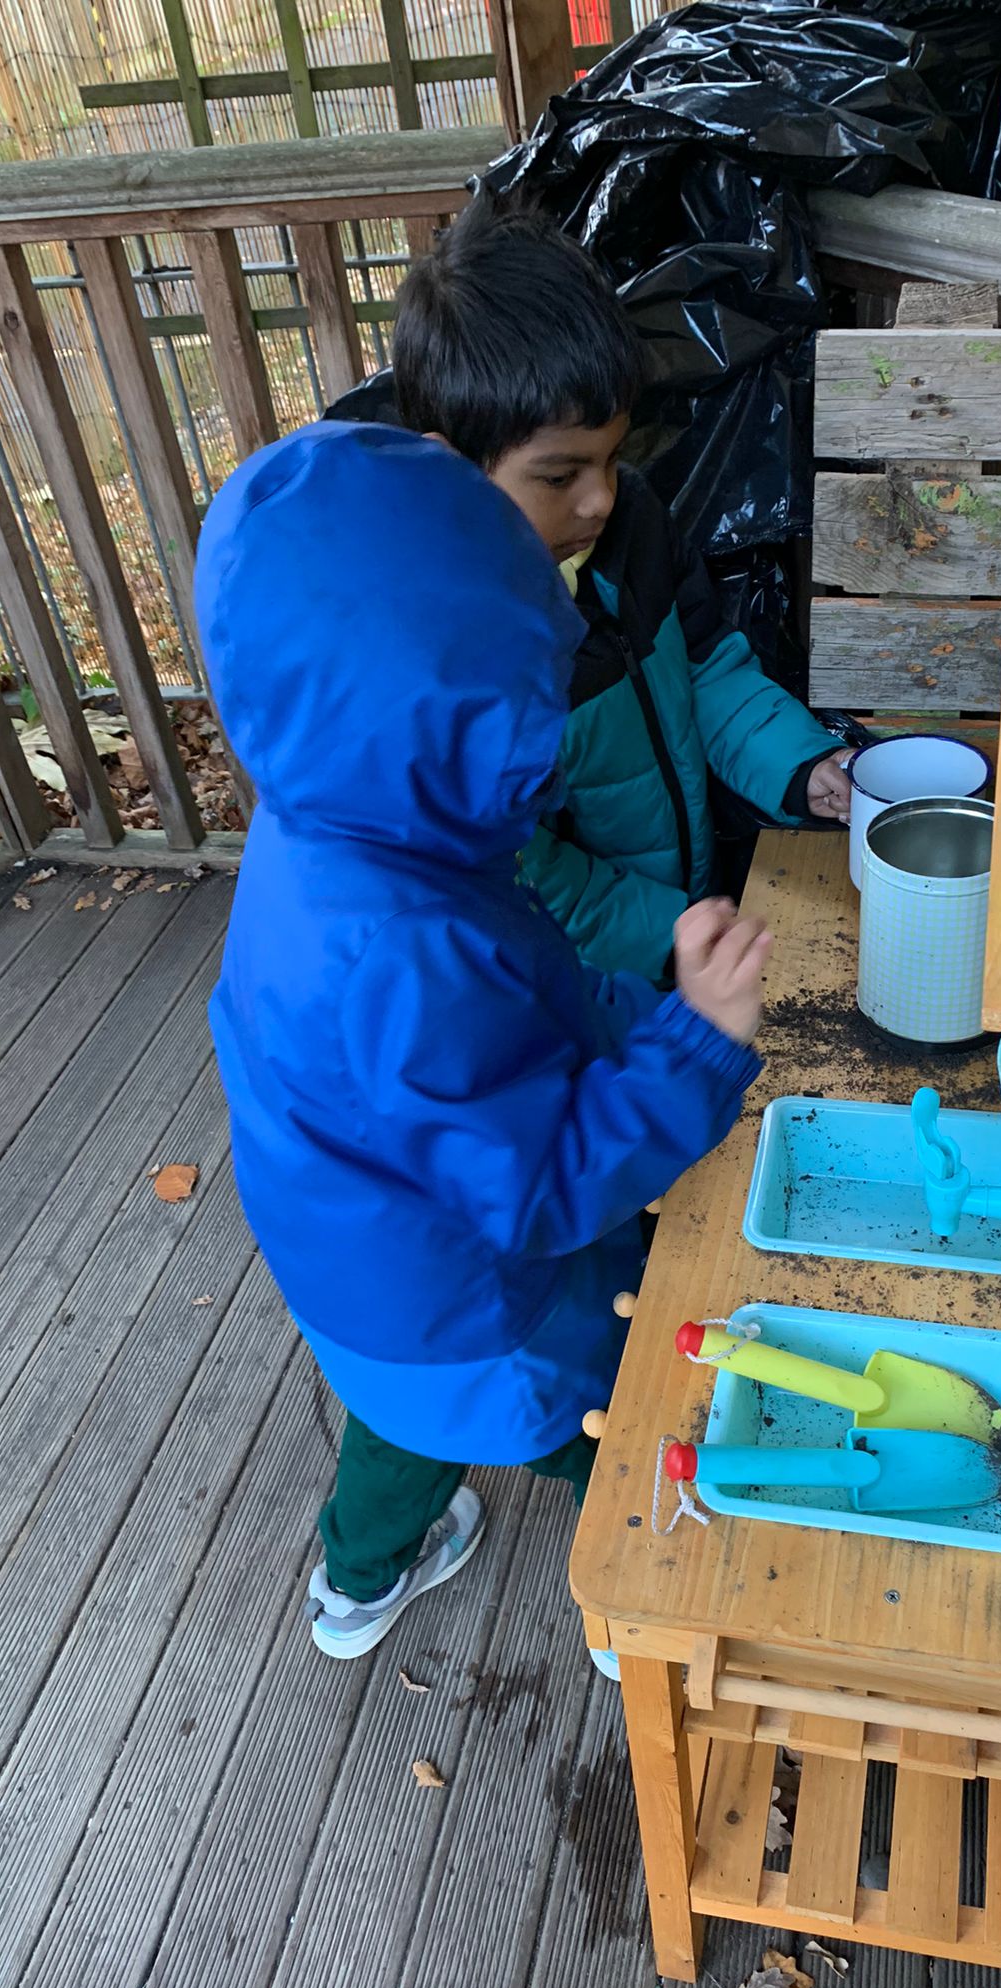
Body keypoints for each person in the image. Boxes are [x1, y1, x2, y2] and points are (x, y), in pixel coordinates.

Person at [196, 419, 770, 1661]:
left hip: (350, 1252)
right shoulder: (402, 950)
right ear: (428, 725)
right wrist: (701, 1050)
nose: (537, 742)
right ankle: (632, 1597)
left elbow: (533, 1006)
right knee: (593, 1403)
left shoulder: (339, 825)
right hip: (466, 1285)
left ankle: (356, 1582)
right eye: (503, 712)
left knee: (395, 1410)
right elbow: (544, 1187)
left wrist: (650, 1014)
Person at [326, 192, 854, 982]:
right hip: (580, 984)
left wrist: (799, 767)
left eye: (610, 457)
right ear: (449, 470)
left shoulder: (633, 522)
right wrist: (665, 938)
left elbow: (709, 672)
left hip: (686, 932)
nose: (600, 496)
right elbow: (525, 875)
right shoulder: (447, 660)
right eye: (560, 474)